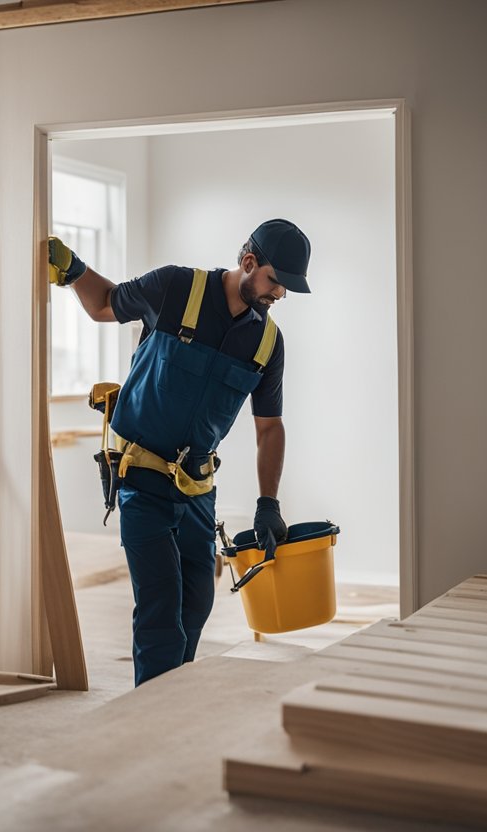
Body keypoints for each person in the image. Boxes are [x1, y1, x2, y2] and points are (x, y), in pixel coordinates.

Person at [48, 219, 312, 686]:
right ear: (249, 262)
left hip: (197, 488)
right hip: (141, 479)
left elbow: (269, 428)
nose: (280, 294)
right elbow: (106, 303)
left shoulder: (267, 344)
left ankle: (169, 697)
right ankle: (151, 714)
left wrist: (268, 503)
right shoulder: (176, 288)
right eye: (276, 281)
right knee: (161, 607)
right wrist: (74, 271)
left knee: (197, 604)